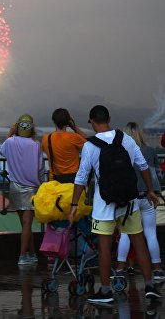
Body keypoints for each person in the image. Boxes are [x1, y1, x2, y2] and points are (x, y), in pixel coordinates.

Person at [69, 105, 161, 304]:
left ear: (91, 121)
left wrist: (74, 204)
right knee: (139, 242)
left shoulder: (90, 145)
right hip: (130, 202)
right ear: (109, 118)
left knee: (104, 248)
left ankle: (105, 291)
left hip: (104, 206)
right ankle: (150, 285)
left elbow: (82, 177)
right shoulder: (126, 139)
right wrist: (151, 191)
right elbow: (143, 166)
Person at [115, 122, 164, 281]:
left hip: (130, 198)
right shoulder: (150, 151)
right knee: (151, 234)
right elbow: (157, 174)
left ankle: (120, 269)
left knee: (125, 234)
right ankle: (157, 269)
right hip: (148, 197)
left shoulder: (122, 150)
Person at [0, 114, 44, 266]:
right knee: (27, 223)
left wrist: (10, 133)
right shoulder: (36, 144)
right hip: (32, 188)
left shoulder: (10, 142)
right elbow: (40, 168)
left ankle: (31, 254)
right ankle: (23, 256)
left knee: (25, 224)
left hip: (15, 187)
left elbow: (2, 152)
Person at [41, 108, 88, 183]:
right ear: (68, 122)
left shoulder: (46, 138)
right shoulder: (74, 137)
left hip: (54, 181)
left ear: (54, 121)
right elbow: (91, 144)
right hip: (73, 181)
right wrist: (74, 127)